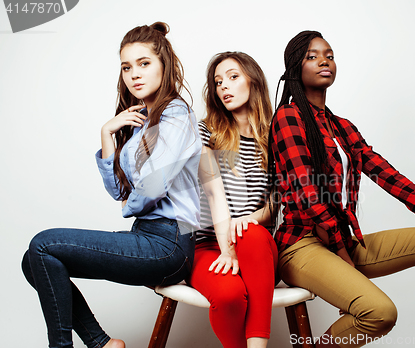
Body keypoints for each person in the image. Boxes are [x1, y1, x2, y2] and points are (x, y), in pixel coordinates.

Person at [267, 30, 415, 348]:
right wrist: (342, 254)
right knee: (380, 313)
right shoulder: (287, 118)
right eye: (312, 56)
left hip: (343, 242)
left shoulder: (343, 127)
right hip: (302, 246)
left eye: (330, 55)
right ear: (296, 67)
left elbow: (388, 175)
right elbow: (308, 194)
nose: (324, 60)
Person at [21, 22, 201, 348]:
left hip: (170, 244)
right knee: (33, 260)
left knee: (42, 245)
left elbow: (153, 187)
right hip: (146, 236)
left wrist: (129, 206)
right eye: (127, 66)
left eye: (144, 63)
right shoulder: (138, 121)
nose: (134, 74)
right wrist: (107, 134)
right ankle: (103, 344)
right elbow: (120, 191)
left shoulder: (176, 115)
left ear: (165, 64)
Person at [188, 52, 278, 348]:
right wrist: (227, 247)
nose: (223, 86)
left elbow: (276, 203)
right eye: (217, 82)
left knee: (250, 233)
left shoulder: (275, 138)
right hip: (208, 245)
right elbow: (214, 194)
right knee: (228, 296)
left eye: (233, 77)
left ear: (254, 81)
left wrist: (246, 222)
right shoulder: (206, 133)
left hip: (254, 246)